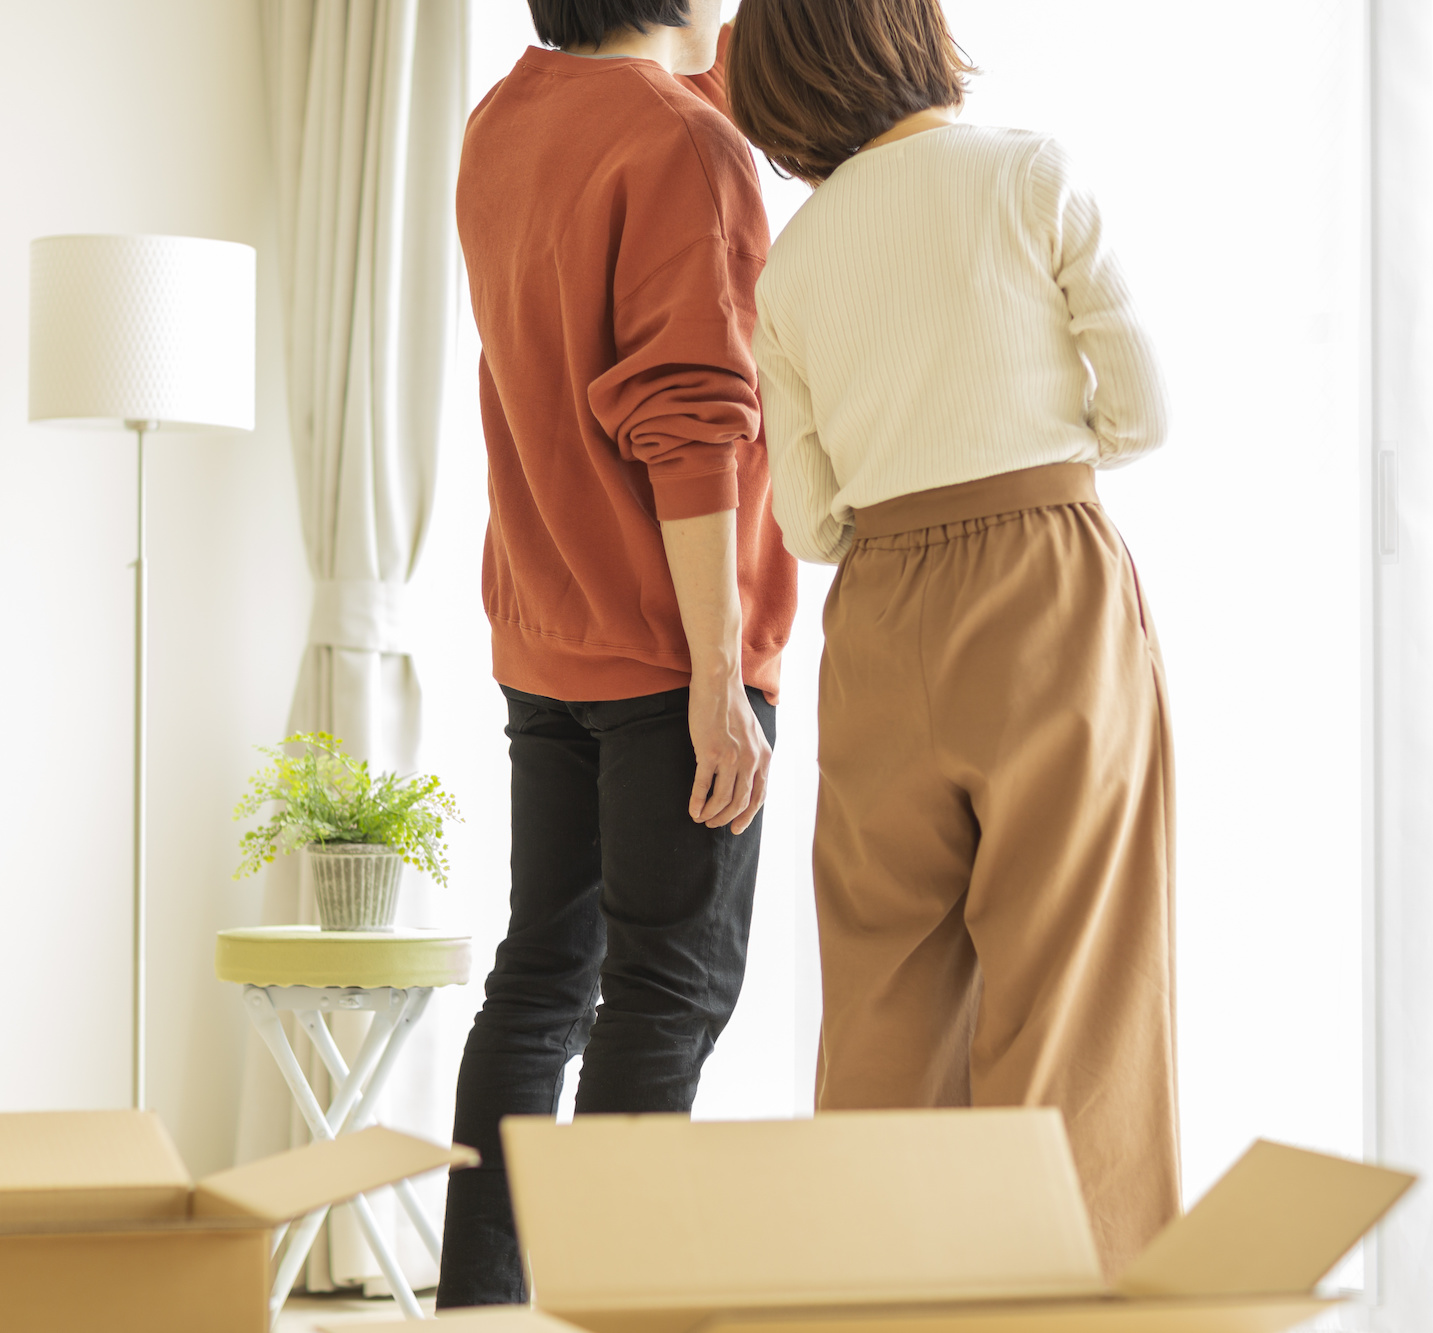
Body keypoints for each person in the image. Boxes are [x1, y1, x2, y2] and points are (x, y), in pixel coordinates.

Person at [728, 0, 1179, 1274]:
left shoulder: (791, 267)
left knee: (883, 994)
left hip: (880, 612)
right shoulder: (1027, 175)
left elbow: (810, 522)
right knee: (1071, 978)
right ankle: (1067, 1294)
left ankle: (887, 1293)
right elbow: (1141, 411)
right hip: (1044, 587)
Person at [440, 0, 796, 1309]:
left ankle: (481, 1305)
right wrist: (718, 674)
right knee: (668, 993)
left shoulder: (505, 117)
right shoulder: (680, 148)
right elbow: (689, 422)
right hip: (669, 650)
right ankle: (612, 1305)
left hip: (547, 629)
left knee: (541, 981)